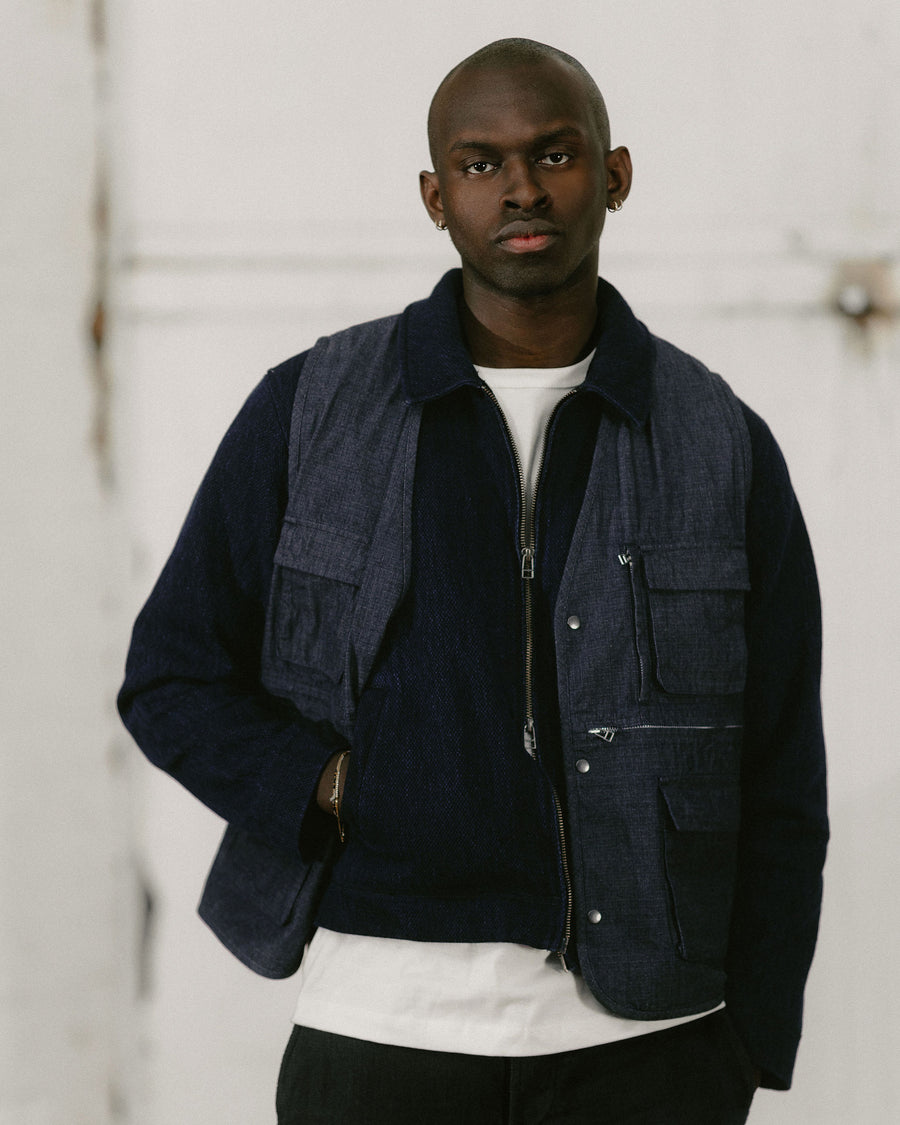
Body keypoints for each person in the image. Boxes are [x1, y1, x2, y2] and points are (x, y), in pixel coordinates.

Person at [119, 37, 828, 1124]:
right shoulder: (312, 408)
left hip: (655, 1049)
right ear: (434, 196)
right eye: (481, 163)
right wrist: (334, 786)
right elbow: (171, 679)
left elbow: (783, 775)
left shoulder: (719, 439)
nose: (523, 189)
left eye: (555, 154)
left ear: (617, 173)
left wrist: (748, 1042)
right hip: (381, 1037)